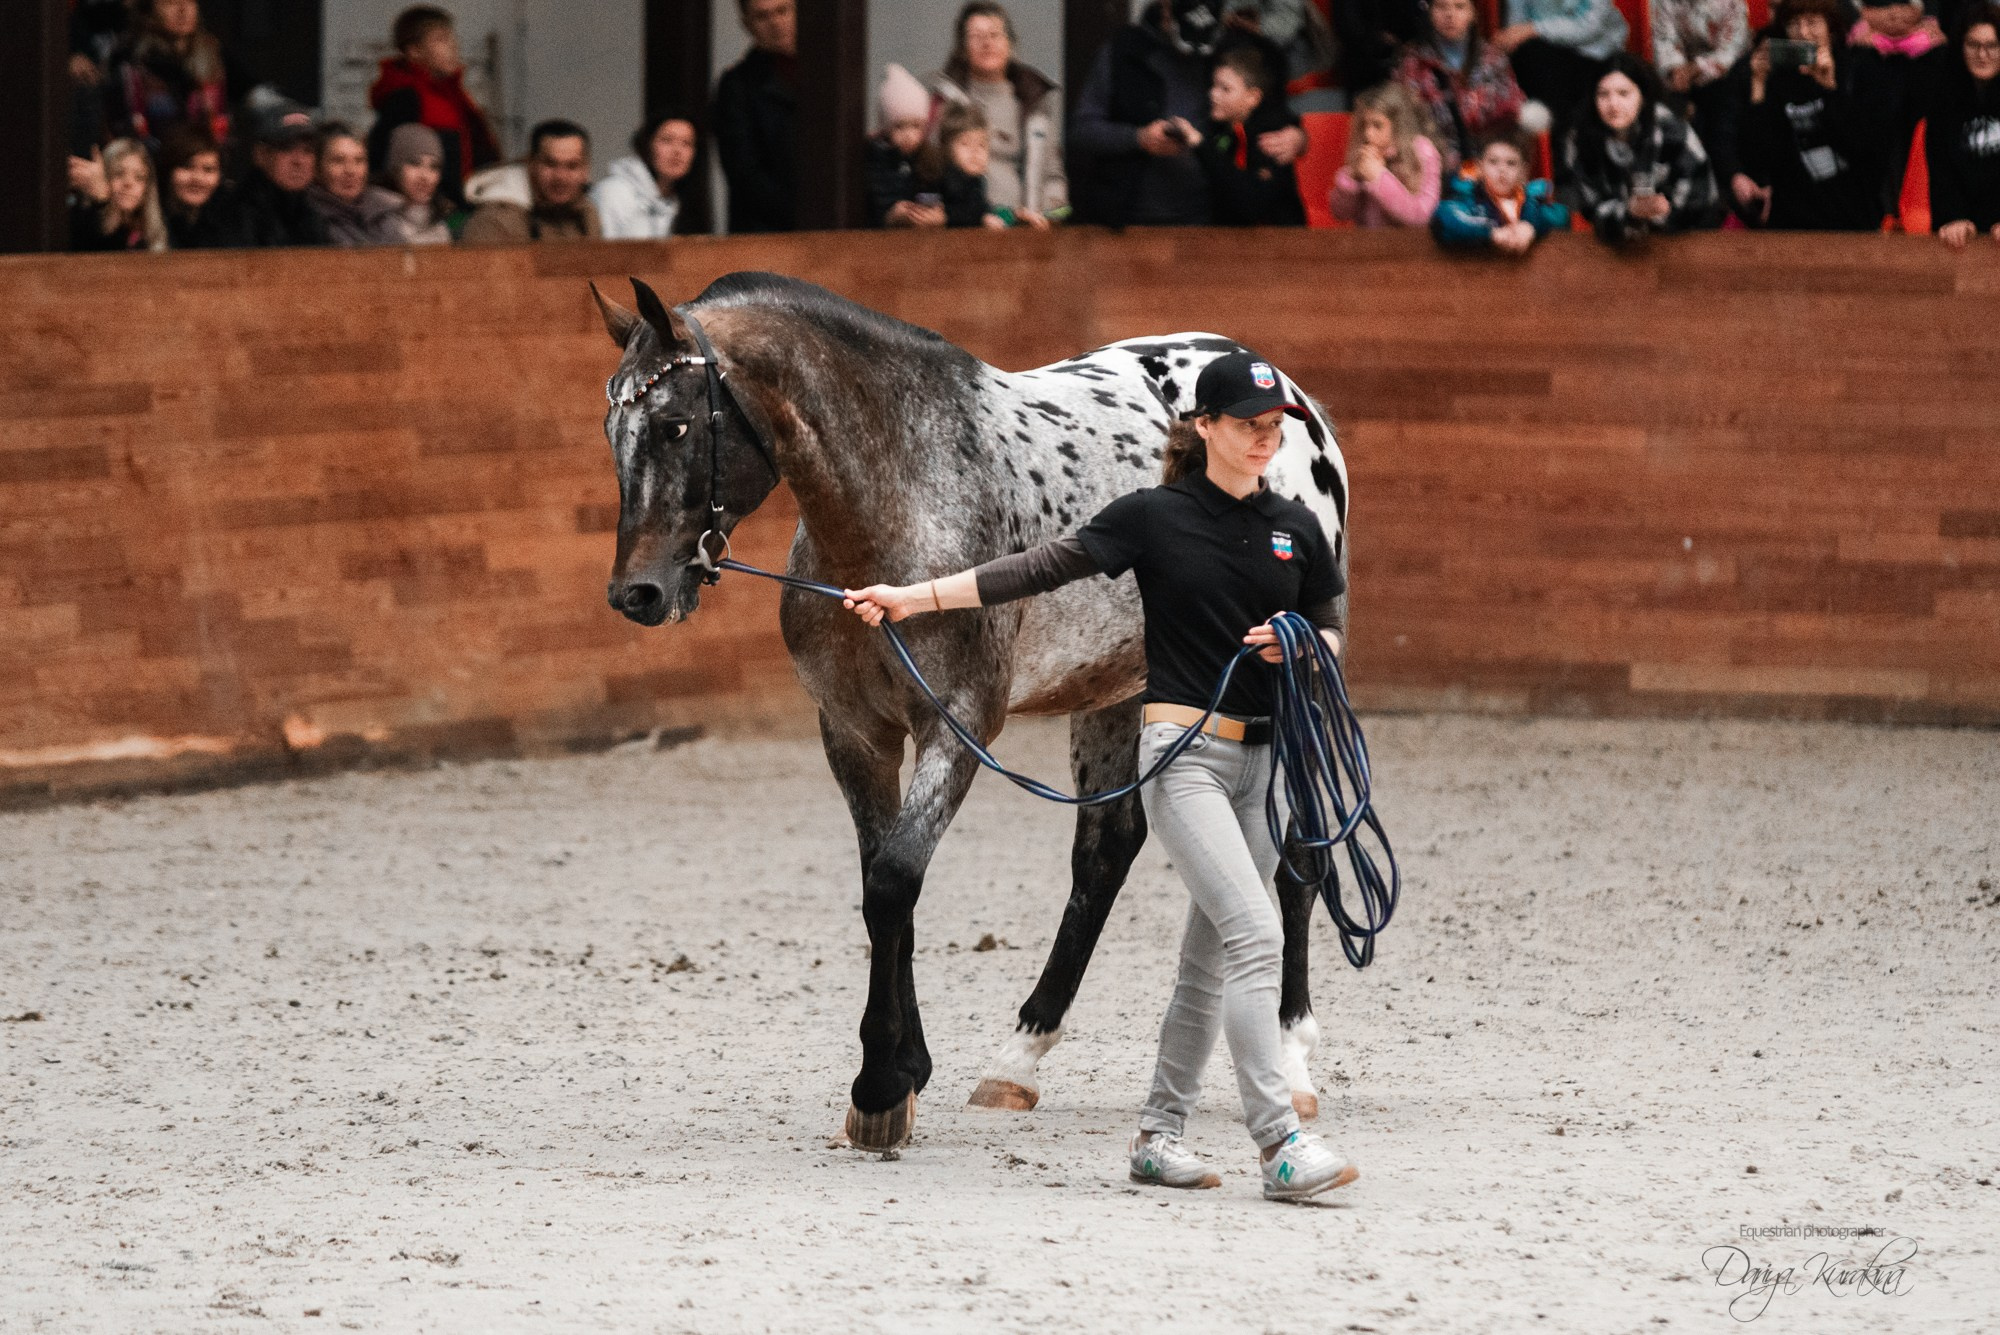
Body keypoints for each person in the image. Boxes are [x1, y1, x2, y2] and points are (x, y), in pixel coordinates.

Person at [839, 352, 1358, 1205]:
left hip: (1269, 764)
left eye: (1276, 427)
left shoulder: (1294, 524)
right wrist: (910, 597)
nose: (1267, 439)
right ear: (1206, 429)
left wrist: (1302, 640)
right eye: (1251, 425)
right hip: (1185, 758)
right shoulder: (1153, 517)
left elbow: (1331, 627)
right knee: (1258, 936)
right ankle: (1281, 1143)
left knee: (1208, 962)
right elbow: (1038, 567)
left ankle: (1157, 1137)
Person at [1071, 0, 1307, 226]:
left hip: (1210, 224)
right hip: (1127, 219)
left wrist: (1298, 138)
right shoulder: (1123, 50)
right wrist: (1139, 138)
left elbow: (1269, 114)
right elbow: (1082, 131)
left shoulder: (1236, 50)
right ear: (1166, 8)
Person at [1739, 0, 1882, 228]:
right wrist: (1757, 86)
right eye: (1794, 24)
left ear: (1830, 28)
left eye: (1812, 23)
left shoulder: (1858, 67)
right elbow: (1762, 158)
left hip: (1852, 217)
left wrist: (1830, 90)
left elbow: (1865, 148)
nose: (1803, 33)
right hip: (1793, 222)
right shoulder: (1779, 79)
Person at [928, 2, 1070, 227]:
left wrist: (1049, 215)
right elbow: (928, 169)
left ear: (1010, 43)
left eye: (995, 34)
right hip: (963, 226)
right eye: (976, 36)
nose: (987, 43)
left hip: (1024, 226)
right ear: (962, 48)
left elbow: (1054, 176)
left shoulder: (1034, 104)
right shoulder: (946, 100)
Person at [1561, 53, 1720, 241]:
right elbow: (1590, 208)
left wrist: (1660, 213)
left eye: (1623, 93)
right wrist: (1630, 211)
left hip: (1686, 237)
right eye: (1603, 94)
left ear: (1643, 97)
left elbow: (1702, 199)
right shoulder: (1580, 139)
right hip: (1617, 240)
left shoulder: (1672, 131)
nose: (1613, 104)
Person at [367, 5, 501, 207]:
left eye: (452, 38)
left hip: (461, 204)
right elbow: (384, 161)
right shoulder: (406, 98)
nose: (453, 46)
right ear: (415, 51)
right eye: (441, 39)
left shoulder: (455, 97)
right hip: (427, 208)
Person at [1391, 0, 1532, 171]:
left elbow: (1512, 115)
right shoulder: (1412, 62)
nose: (1450, 15)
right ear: (1429, 12)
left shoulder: (1493, 60)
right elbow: (1402, 121)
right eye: (1441, 7)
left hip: (1487, 166)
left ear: (1473, 14)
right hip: (1430, 165)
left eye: (1459, 6)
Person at [1845, 0, 1952, 220]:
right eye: (1885, 7)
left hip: (1924, 55)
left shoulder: (1937, 53)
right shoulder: (1855, 52)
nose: (1894, 13)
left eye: (1902, 5)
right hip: (1868, 183)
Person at [103, 0, 247, 149]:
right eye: (171, 2)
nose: (182, 10)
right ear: (150, 12)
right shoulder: (130, 59)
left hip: (204, 158)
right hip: (151, 157)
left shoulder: (213, 56)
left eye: (190, 2)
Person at [1193, 41, 1308, 224]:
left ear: (1252, 97)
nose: (1213, 94)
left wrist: (1200, 145)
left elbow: (1251, 205)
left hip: (1279, 241)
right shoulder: (1215, 128)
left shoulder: (1273, 135)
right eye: (1213, 86)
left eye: (1225, 89)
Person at [713, 0, 799, 233]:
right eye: (763, 16)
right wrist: (802, 211)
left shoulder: (826, 75)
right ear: (747, 24)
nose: (776, 23)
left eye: (782, 11)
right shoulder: (737, 86)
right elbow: (743, 170)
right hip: (763, 231)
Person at [1491, 0, 1628, 145]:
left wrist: (1534, 28)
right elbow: (1516, 25)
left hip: (1593, 49)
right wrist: (1512, 39)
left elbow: (1590, 26)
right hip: (1540, 50)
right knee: (1524, 57)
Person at [1929, 1, 2000, 248]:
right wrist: (1953, 217)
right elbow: (1940, 169)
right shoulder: (1943, 98)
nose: (1982, 55)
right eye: (1973, 45)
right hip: (1958, 230)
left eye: (1992, 46)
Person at [462, 120, 601, 243]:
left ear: (585, 170)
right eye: (550, 164)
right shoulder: (495, 221)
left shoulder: (587, 215)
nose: (561, 177)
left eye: (572, 166)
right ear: (531, 164)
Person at [1432, 125, 1572, 248]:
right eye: (1493, 162)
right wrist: (1492, 233)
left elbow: (1561, 217)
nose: (1502, 170)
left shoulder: (1531, 202)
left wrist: (1531, 228)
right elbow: (1444, 216)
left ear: (1523, 171)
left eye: (1511, 163)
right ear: (1480, 167)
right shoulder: (1470, 198)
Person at [1331, 82, 1445, 226]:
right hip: (1370, 245)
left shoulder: (1423, 151)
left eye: (1377, 125)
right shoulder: (1364, 157)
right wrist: (1352, 178)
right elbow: (1340, 213)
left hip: (1410, 247)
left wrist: (1378, 177)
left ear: (1398, 125)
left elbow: (1422, 217)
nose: (1368, 134)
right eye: (1364, 125)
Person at [224, 98, 328, 248]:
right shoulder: (237, 215)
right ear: (261, 155)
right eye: (286, 148)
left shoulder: (312, 214)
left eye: (308, 150)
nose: (298, 161)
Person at [1651, 0, 1752, 138]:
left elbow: (1731, 52)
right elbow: (1664, 39)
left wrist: (1696, 68)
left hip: (1725, 77)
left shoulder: (1733, 3)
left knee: (1720, 121)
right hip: (1680, 73)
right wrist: (1676, 68)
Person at [594, 112, 701, 239]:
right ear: (647, 145)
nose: (677, 151)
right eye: (667, 140)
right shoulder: (614, 192)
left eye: (686, 143)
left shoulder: (680, 202)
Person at [308, 122, 406, 247]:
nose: (350, 171)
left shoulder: (385, 214)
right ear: (317, 169)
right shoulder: (310, 220)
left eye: (359, 160)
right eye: (338, 160)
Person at [870, 64, 945, 227]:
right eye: (900, 126)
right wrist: (890, 214)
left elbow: (933, 191)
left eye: (916, 126)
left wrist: (935, 213)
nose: (908, 135)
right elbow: (872, 203)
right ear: (887, 129)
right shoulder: (875, 159)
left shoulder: (929, 159)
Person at [66, 138, 168, 253]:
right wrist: (101, 201)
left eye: (139, 177)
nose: (128, 183)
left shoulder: (154, 232)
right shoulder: (83, 223)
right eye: (119, 174)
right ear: (103, 177)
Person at [925, 102, 1008, 227]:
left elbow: (981, 208)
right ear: (946, 148)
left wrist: (1015, 215)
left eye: (982, 145)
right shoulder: (939, 178)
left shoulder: (977, 181)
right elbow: (926, 201)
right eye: (965, 143)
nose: (975, 151)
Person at [156, 122, 232, 248]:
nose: (197, 178)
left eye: (208, 169)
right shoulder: (145, 221)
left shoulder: (232, 220)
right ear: (168, 170)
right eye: (187, 167)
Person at [381, 123, 454, 245]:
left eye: (434, 167)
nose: (425, 176)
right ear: (396, 169)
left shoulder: (441, 229)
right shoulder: (377, 225)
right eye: (414, 163)